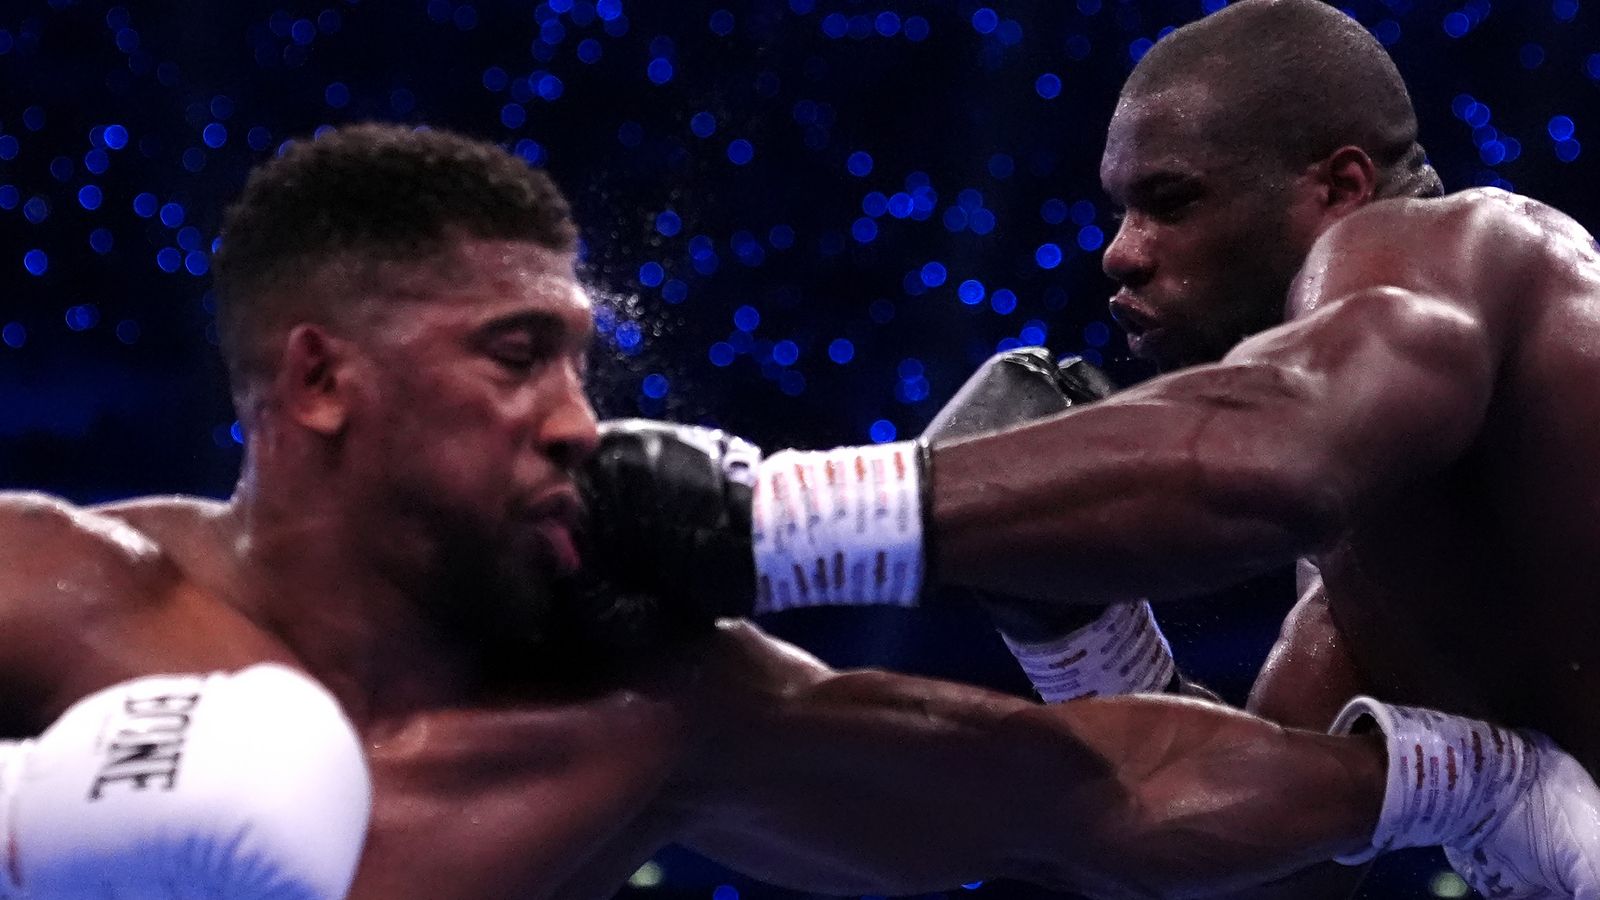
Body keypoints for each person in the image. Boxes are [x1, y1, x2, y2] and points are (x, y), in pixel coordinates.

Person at [1, 122, 1591, 899]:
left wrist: (1450, 782)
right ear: (323, 382)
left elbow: (1098, 792)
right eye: (513, 359)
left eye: (577, 361)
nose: (575, 420)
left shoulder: (659, 708)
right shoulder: (60, 592)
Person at [571, 1, 1600, 895]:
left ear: (1335, 187)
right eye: (1120, 210)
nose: (1121, 253)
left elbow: (1280, 452)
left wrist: (769, 518)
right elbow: (1262, 874)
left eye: (1172, 200)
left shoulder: (1458, 245)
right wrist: (1078, 631)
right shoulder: (1369, 580)